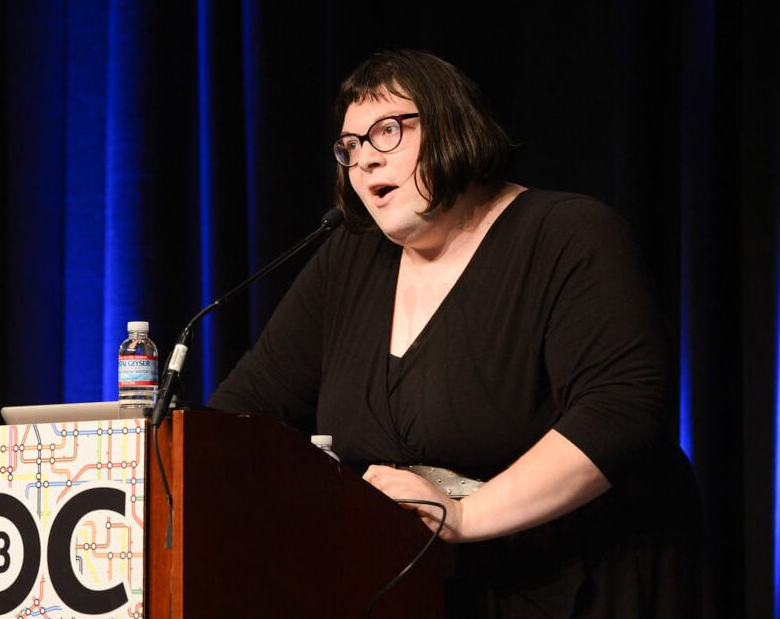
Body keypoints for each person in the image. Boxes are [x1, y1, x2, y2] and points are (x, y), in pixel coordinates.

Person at [207, 49, 709, 617]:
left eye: (387, 131)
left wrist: (466, 514)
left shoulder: (569, 235)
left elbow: (622, 411)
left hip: (581, 582)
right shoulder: (349, 259)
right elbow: (246, 408)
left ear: (451, 124)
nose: (364, 160)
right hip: (425, 589)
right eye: (349, 146)